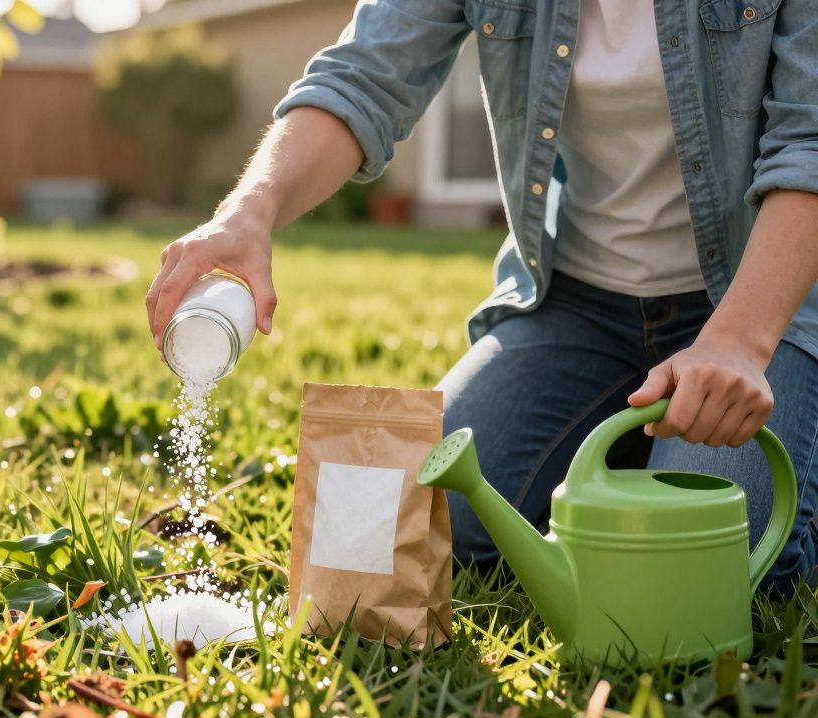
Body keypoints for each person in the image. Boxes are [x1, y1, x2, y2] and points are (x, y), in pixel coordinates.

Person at [144, 0, 818, 592]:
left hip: (757, 304)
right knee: (439, 521)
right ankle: (647, 453)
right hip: (575, 303)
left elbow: (809, 143)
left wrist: (738, 341)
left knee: (715, 568)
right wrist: (249, 210)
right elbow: (366, 75)